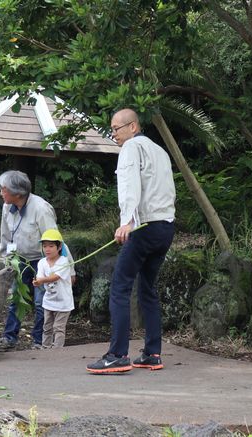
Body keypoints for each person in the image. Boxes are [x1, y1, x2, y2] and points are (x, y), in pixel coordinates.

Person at [86, 108, 176, 374]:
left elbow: (129, 185)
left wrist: (127, 222)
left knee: (119, 288)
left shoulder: (131, 148)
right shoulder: (160, 151)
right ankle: (152, 353)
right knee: (147, 289)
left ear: (133, 127)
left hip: (143, 226)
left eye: (116, 128)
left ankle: (117, 355)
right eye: (112, 129)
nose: (113, 134)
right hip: (165, 227)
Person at [0, 170, 75, 351]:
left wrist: (69, 269)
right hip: (19, 259)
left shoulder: (41, 208)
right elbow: (5, 235)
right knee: (17, 298)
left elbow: (56, 239)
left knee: (41, 302)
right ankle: (9, 338)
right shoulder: (7, 206)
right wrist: (6, 259)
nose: (1, 193)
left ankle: (39, 341)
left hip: (42, 260)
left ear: (17, 193)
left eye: (4, 189)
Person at [32, 229, 74, 348]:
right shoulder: (41, 262)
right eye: (45, 246)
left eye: (51, 246)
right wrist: (37, 282)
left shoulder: (64, 261)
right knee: (47, 327)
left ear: (59, 247)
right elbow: (40, 277)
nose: (47, 249)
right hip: (49, 301)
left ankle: (57, 351)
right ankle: (46, 349)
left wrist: (41, 280)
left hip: (63, 302)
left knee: (58, 328)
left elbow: (55, 277)